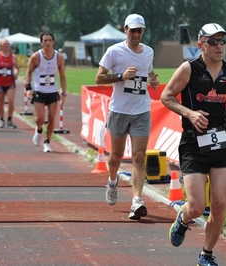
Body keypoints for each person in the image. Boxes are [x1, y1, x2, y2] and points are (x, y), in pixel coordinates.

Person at [161, 23, 226, 266]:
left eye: (222, 41)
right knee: (197, 206)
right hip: (193, 143)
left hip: (221, 142)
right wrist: (190, 113)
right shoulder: (188, 69)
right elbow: (166, 96)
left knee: (219, 204)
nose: (219, 46)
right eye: (213, 41)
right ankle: (183, 219)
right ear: (201, 45)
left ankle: (206, 254)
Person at [95, 13, 159, 220]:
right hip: (119, 111)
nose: (136, 34)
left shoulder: (148, 52)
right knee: (116, 157)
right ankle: (112, 182)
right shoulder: (114, 51)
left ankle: (136, 200)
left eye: (139, 30)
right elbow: (99, 78)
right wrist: (121, 76)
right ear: (125, 30)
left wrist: (153, 81)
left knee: (139, 157)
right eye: (132, 30)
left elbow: (148, 74)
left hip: (141, 110)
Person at [25, 32, 67, 153]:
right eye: (45, 41)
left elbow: (63, 76)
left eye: (49, 40)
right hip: (39, 90)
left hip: (53, 91)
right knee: (40, 118)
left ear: (53, 42)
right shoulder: (36, 57)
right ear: (41, 43)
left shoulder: (59, 57)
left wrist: (64, 93)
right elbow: (28, 73)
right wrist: (28, 88)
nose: (47, 43)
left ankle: (47, 142)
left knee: (52, 118)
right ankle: (38, 130)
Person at [0, 38, 20, 129]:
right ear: (0, 46)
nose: (6, 45)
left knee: (11, 101)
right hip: (0, 82)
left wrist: (16, 73)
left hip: (10, 82)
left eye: (7, 44)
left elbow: (17, 68)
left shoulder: (13, 57)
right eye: (4, 44)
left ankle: (10, 119)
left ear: (9, 46)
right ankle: (1, 119)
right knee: (0, 103)